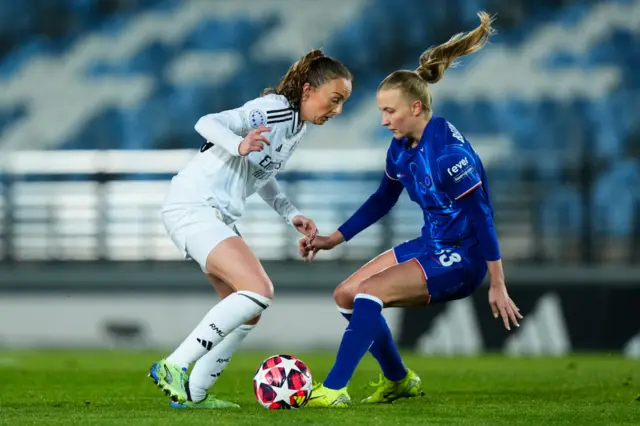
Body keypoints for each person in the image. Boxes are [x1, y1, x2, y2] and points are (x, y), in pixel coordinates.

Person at [299, 13, 522, 408]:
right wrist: (334, 238)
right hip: (431, 243)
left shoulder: (449, 156)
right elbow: (383, 198)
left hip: (463, 258)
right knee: (346, 295)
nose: (384, 121)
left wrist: (497, 284)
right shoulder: (402, 147)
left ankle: (333, 389)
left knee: (369, 293)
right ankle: (399, 381)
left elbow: (482, 218)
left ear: (416, 108)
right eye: (382, 112)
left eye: (390, 112)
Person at [149, 49, 353, 409]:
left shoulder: (297, 128)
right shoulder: (274, 108)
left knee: (247, 307)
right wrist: (238, 143)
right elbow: (207, 122)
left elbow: (262, 175)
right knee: (259, 289)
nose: (337, 111)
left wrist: (291, 215)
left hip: (214, 214)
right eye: (334, 100)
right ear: (308, 90)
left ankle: (194, 396)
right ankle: (174, 365)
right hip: (195, 204)